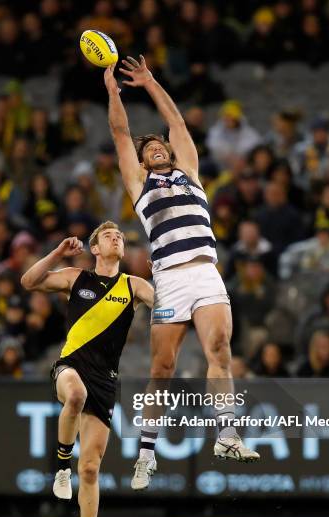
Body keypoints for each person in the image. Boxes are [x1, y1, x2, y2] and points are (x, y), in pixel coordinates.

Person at [104, 56, 260, 492]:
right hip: (170, 277)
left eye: (161, 145)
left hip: (206, 273)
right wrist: (113, 90)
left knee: (220, 346)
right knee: (163, 368)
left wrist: (151, 83)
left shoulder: (190, 172)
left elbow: (177, 122)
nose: (157, 147)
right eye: (149, 148)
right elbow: (119, 132)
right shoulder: (140, 186)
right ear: (142, 160)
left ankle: (227, 435)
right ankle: (147, 453)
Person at [21, 223, 153, 517]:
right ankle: (62, 468)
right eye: (109, 236)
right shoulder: (76, 278)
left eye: (121, 237)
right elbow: (29, 282)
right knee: (74, 395)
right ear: (94, 248)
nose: (116, 239)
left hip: (105, 381)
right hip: (70, 367)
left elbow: (170, 307)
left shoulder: (134, 286)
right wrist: (56, 253)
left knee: (92, 469)